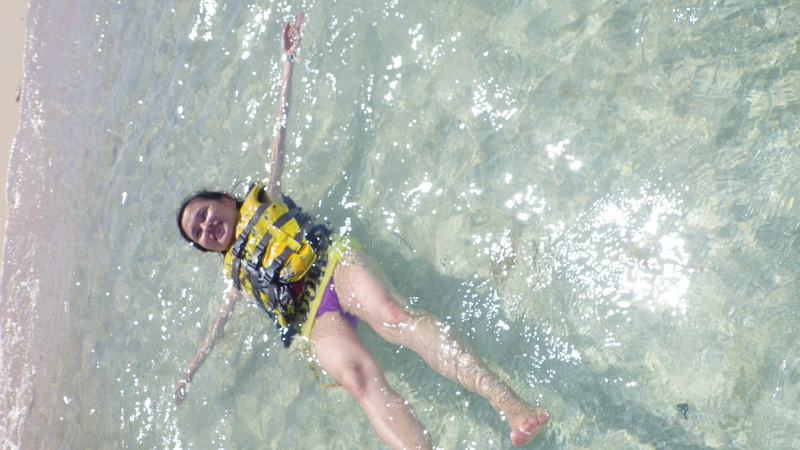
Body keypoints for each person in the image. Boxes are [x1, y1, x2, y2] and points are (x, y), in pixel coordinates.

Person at [174, 12, 548, 449]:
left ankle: (508, 404)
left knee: (392, 315)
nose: (206, 226)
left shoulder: (266, 196)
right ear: (206, 247)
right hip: (312, 318)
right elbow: (216, 330)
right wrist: (190, 373)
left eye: (204, 213)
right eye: (198, 232)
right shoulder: (235, 277)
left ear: (225, 200)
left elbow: (280, 133)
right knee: (356, 379)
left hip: (333, 266)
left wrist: (288, 63)